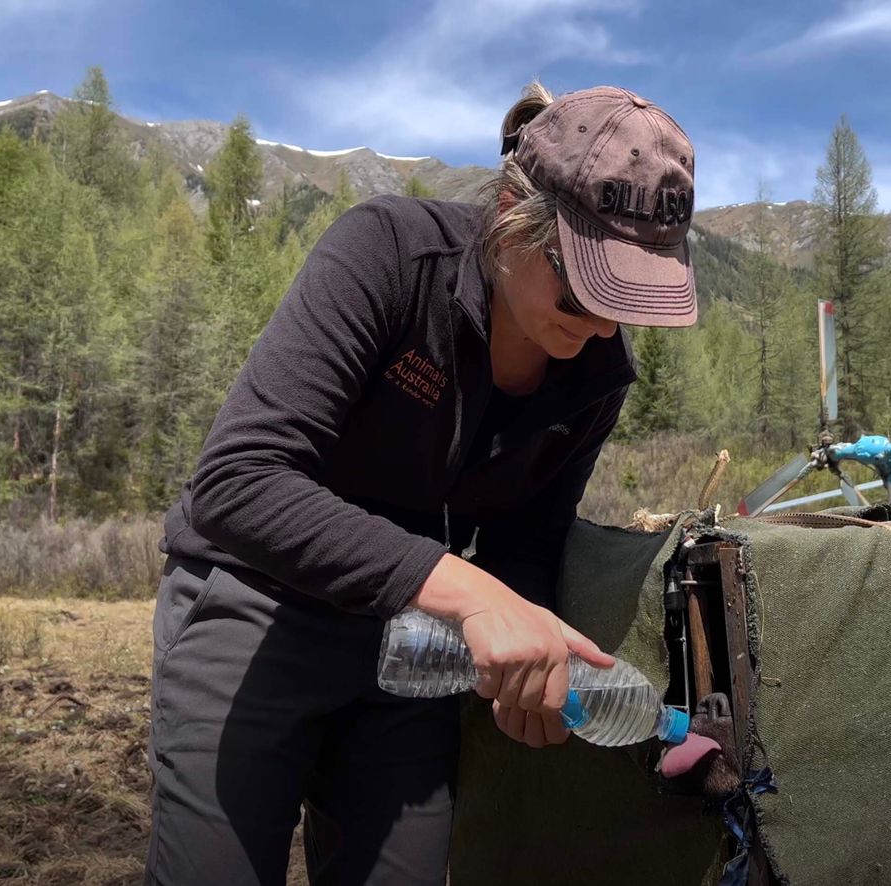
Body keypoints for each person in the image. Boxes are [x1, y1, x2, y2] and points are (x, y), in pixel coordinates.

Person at [145, 83, 699, 886]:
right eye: (584, 287)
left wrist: (519, 669)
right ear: (514, 210)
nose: (602, 326)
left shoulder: (598, 376)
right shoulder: (391, 256)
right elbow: (239, 482)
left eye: (629, 299)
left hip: (413, 648)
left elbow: (528, 540)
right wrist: (469, 593)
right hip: (251, 604)